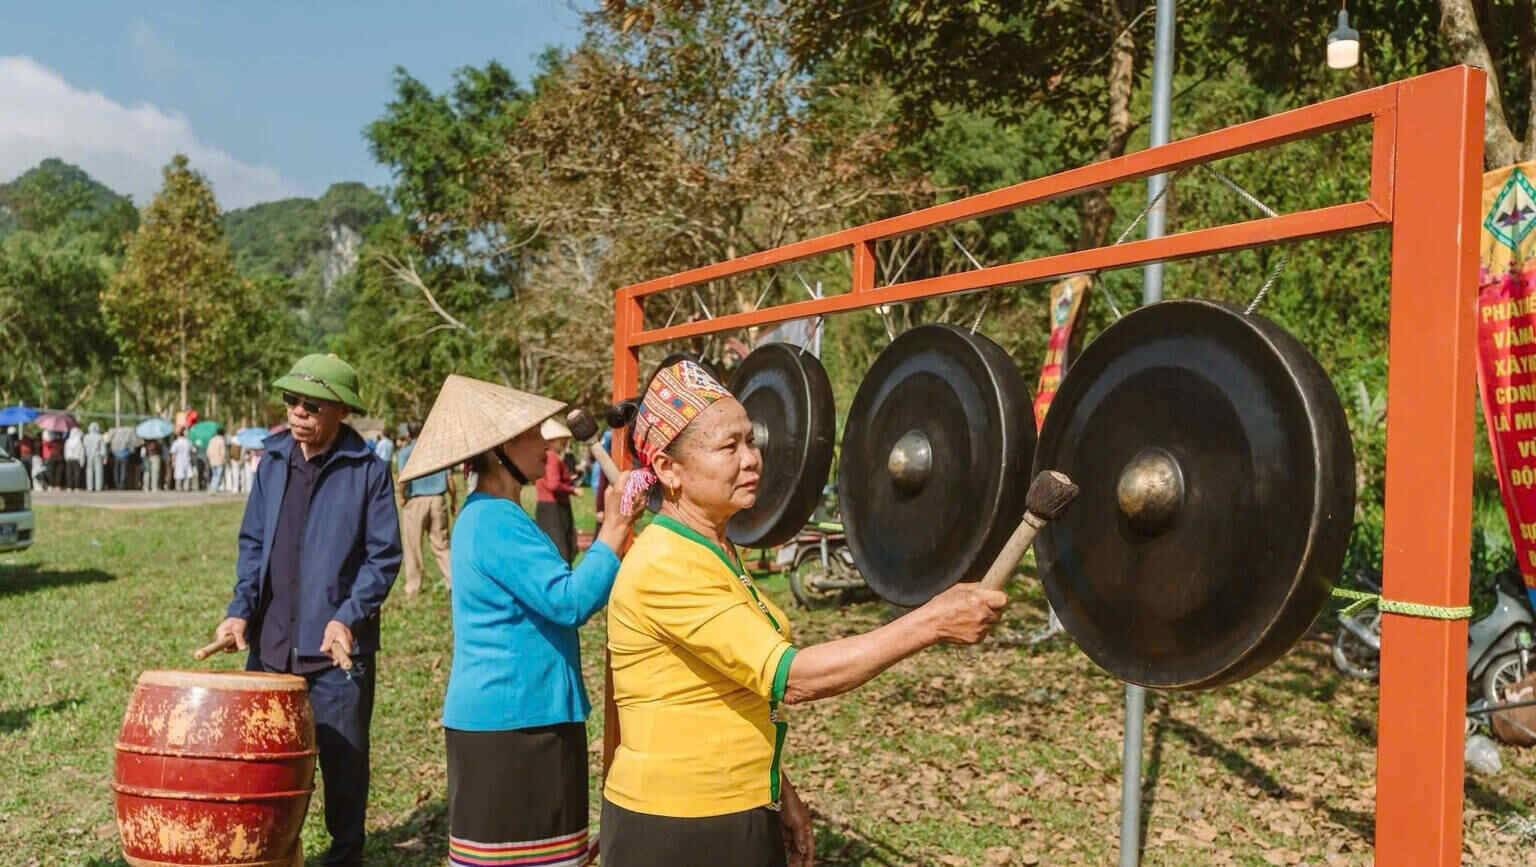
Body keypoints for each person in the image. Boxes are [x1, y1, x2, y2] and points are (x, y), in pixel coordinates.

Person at [602, 360, 1007, 867]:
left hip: (734, 804)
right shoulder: (666, 564)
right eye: (729, 447)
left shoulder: (714, 548)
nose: (752, 459)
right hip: (678, 826)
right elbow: (790, 678)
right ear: (668, 469)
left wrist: (778, 789)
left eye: (751, 441)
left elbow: (727, 692)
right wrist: (931, 622)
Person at [396, 374, 641, 867]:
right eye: (533, 435)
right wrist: (613, 532)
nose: (546, 447)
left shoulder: (488, 515)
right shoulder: (495, 520)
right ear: (501, 448)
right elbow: (568, 601)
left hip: (516, 717)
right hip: (517, 725)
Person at [208, 353, 401, 867]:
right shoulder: (272, 461)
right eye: (291, 401)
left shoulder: (368, 471)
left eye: (311, 406)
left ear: (341, 411)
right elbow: (254, 544)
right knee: (263, 767)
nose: (297, 412)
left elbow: (383, 557)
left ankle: (344, 856)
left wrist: (348, 616)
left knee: (344, 769)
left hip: (336, 654)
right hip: (271, 649)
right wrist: (239, 610)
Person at [394, 422, 456, 595]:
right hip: (438, 499)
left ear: (408, 434)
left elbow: (403, 479)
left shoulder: (405, 453)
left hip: (416, 501)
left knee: (413, 546)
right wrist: (454, 501)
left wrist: (402, 497)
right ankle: (453, 582)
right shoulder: (438, 452)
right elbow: (450, 480)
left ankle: (413, 586)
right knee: (442, 544)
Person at [534, 418, 579, 562]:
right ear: (552, 441)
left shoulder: (543, 456)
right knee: (561, 548)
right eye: (562, 441)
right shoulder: (552, 457)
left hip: (545, 506)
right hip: (555, 508)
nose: (564, 444)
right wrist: (572, 490)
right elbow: (553, 485)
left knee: (550, 547)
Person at [110, 425, 139, 490]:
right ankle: (122, 485)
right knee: (123, 470)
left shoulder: (116, 431)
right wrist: (131, 451)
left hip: (116, 454)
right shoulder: (129, 432)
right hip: (125, 454)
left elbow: (110, 442)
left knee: (116, 470)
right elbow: (133, 444)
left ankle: (117, 484)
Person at [83, 423, 106, 491]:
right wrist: (104, 457)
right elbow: (103, 448)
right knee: (98, 471)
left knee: (89, 471)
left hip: (89, 455)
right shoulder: (99, 437)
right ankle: (98, 487)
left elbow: (84, 447)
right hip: (97, 455)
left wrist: (84, 455)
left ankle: (89, 487)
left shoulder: (86, 437)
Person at [207, 430, 228, 495]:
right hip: (219, 460)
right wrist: (223, 459)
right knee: (218, 475)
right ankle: (214, 489)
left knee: (214, 475)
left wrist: (210, 458)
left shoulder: (212, 439)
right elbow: (223, 451)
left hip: (212, 460)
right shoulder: (221, 440)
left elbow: (208, 450)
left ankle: (211, 488)